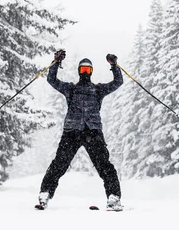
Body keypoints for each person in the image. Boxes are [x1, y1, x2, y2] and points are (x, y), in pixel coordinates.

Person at [37, 50, 124, 210]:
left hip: (93, 131)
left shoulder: (98, 90)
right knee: (59, 164)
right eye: (83, 69)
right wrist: (56, 62)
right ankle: (45, 193)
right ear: (79, 71)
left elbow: (118, 82)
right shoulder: (70, 89)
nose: (85, 72)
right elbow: (51, 79)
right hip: (72, 132)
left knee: (104, 165)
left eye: (88, 70)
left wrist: (114, 65)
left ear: (91, 72)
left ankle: (114, 197)